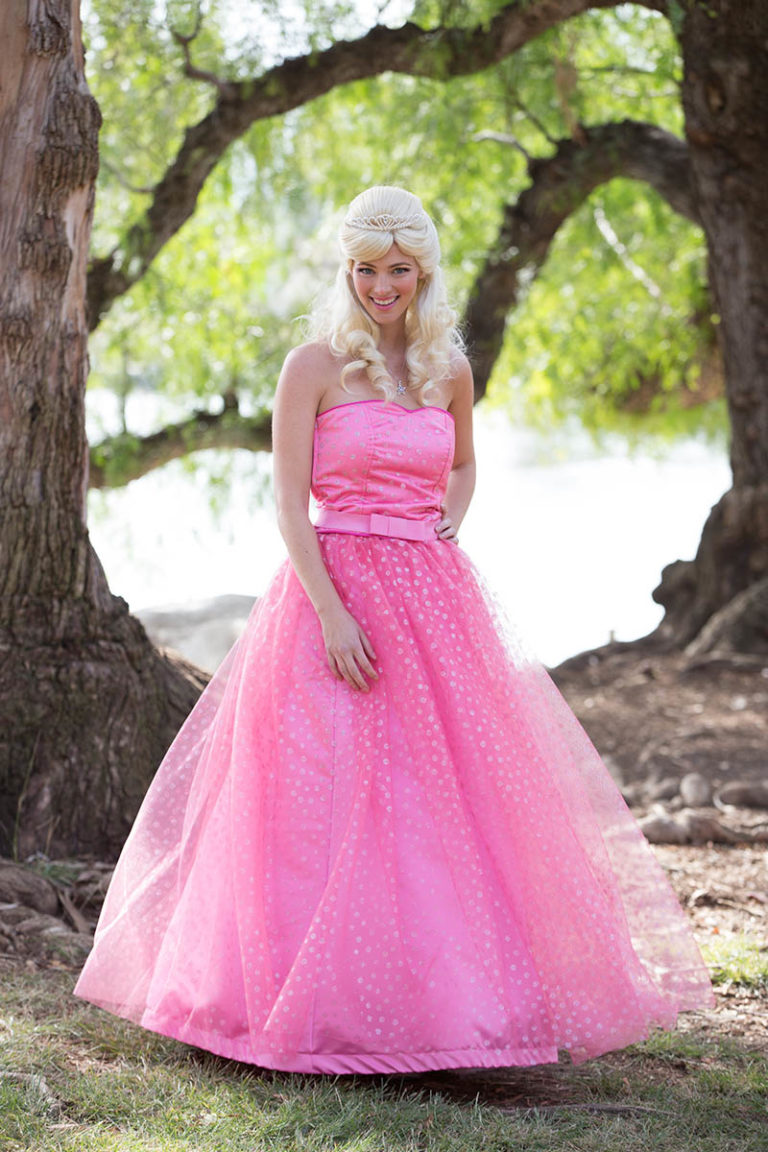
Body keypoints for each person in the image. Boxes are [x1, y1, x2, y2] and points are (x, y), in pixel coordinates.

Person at [74, 185, 713, 1075]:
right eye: (367, 269)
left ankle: (450, 1013)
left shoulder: (449, 369)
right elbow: (288, 505)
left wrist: (447, 519)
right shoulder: (313, 367)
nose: (381, 286)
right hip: (331, 593)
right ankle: (311, 1010)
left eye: (399, 270)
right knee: (322, 794)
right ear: (348, 271)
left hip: (433, 597)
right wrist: (332, 613)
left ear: (424, 273)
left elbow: (465, 464)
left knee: (436, 797)